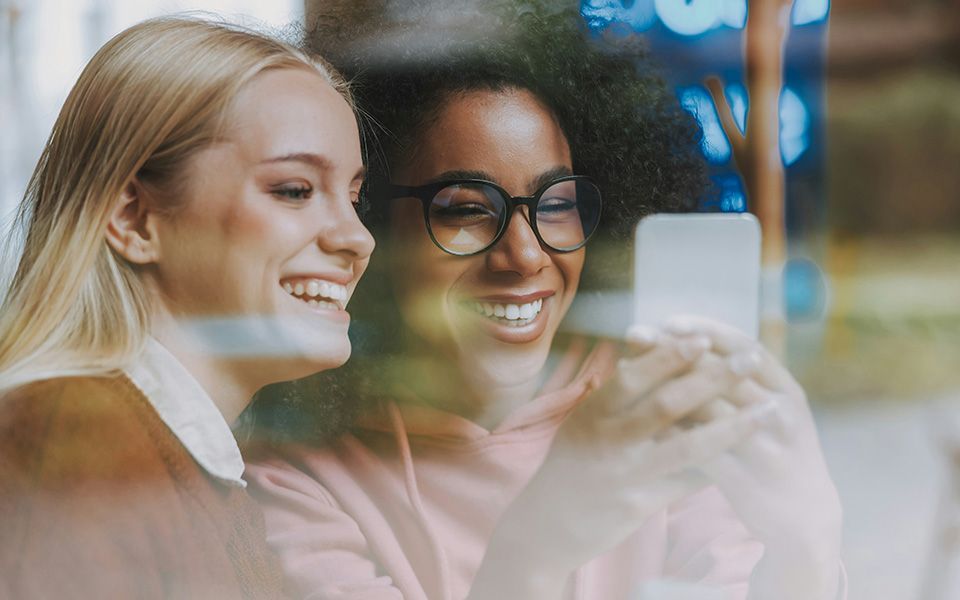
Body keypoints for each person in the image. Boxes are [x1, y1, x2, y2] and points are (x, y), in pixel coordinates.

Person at [245, 3, 845, 599]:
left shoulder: (653, 403)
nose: (526, 257)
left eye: (557, 205)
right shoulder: (295, 476)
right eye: (466, 210)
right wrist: (539, 543)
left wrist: (809, 541)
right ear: (369, 219)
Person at [0, 16, 374, 599]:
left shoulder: (188, 470)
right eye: (294, 190)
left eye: (353, 198)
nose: (358, 238)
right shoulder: (69, 447)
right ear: (134, 218)